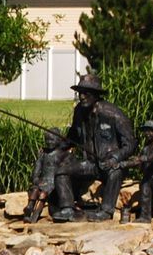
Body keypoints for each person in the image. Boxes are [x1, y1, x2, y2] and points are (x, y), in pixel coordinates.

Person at [52, 73, 136, 222]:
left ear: (96, 95)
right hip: (90, 164)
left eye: (86, 93)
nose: (82, 96)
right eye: (79, 93)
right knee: (61, 169)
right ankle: (67, 209)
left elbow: (130, 144)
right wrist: (59, 146)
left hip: (110, 164)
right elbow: (74, 135)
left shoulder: (113, 114)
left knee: (115, 173)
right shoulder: (79, 111)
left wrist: (115, 157)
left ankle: (106, 211)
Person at [23, 130, 68, 224]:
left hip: (53, 183)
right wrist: (35, 179)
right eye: (47, 140)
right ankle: (29, 208)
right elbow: (37, 168)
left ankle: (35, 215)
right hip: (42, 181)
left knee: (43, 194)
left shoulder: (62, 154)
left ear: (58, 140)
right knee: (35, 190)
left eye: (52, 140)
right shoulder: (43, 154)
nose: (49, 142)